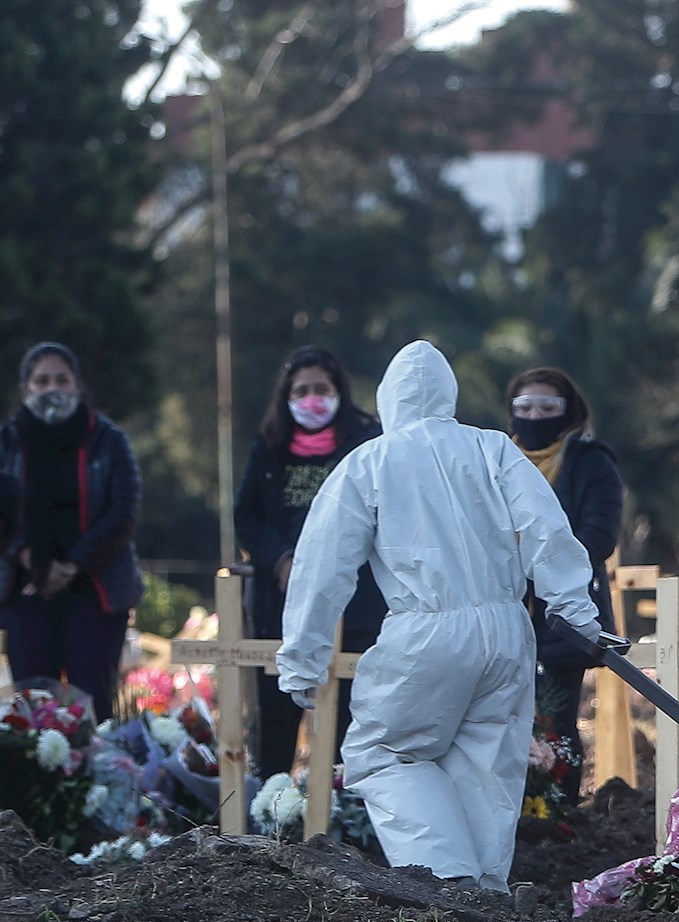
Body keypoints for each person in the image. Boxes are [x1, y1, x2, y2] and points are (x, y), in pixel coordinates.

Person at [278, 340, 599, 893]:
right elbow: (546, 526)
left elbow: (320, 566)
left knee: (382, 754)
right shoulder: (493, 448)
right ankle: (486, 894)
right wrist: (573, 607)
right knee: (486, 766)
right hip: (506, 629)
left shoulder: (371, 461)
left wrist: (303, 659)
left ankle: (448, 886)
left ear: (386, 401)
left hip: (426, 628)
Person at [235, 347, 387, 779]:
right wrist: (282, 560)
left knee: (351, 723)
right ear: (286, 396)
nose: (312, 398)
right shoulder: (269, 448)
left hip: (356, 605)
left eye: (322, 388)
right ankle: (273, 813)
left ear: (339, 390)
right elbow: (246, 517)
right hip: (280, 607)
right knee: (277, 719)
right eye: (301, 390)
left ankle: (345, 817)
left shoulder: (368, 442)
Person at [0, 343, 141, 721]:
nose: (52, 389)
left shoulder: (108, 440)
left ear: (78, 385)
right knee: (32, 712)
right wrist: (26, 554)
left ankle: (101, 780)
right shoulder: (8, 441)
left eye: (61, 379)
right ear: (25, 389)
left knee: (92, 707)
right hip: (26, 590)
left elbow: (123, 513)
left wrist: (72, 565)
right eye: (41, 380)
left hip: (95, 590)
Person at [506, 367, 624, 802]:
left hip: (562, 612)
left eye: (547, 408)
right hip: (502, 608)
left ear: (567, 411)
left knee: (554, 719)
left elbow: (600, 534)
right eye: (525, 408)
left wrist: (545, 567)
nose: (535, 416)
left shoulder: (591, 461)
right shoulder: (496, 459)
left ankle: (553, 812)